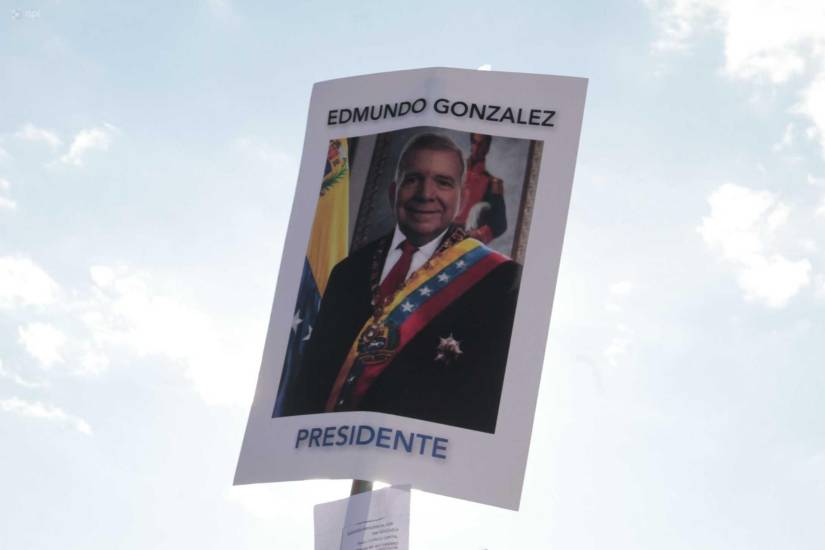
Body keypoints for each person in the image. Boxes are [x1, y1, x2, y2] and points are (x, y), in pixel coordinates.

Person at [279, 133, 521, 433]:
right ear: (393, 190)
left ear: (461, 196)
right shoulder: (347, 271)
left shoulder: (499, 281)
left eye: (442, 182)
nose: (425, 193)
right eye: (413, 179)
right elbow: (314, 374)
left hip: (422, 456)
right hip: (336, 445)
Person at [453, 133, 507, 243]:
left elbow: (500, 224)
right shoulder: (453, 170)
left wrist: (477, 235)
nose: (476, 148)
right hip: (434, 231)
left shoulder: (492, 183)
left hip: (461, 237)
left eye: (481, 145)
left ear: (487, 148)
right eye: (474, 143)